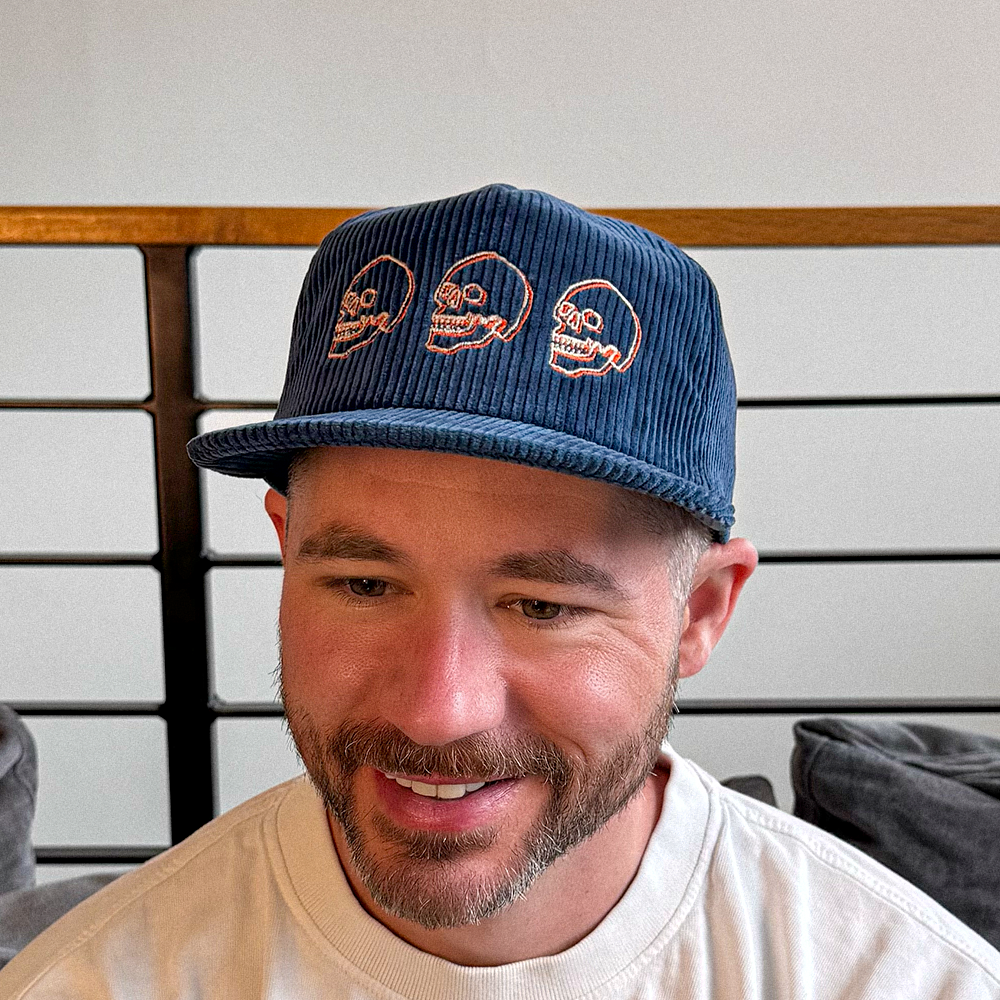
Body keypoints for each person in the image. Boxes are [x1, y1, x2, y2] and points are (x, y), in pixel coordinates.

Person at [2, 184, 998, 998]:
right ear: (284, 551)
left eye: (542, 606)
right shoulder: (92, 981)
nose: (436, 710)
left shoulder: (904, 979)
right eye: (363, 583)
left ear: (700, 612)